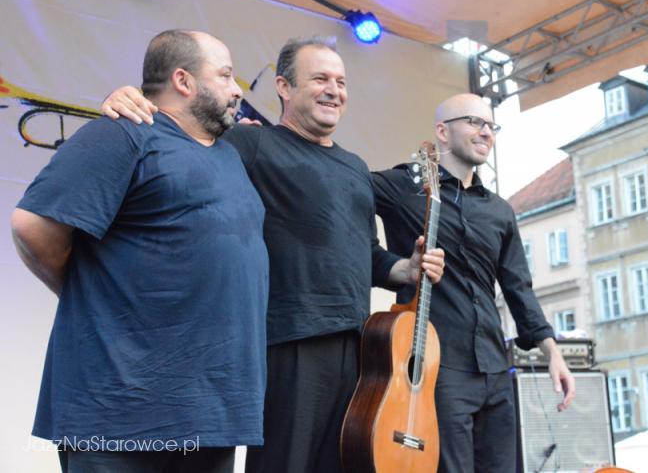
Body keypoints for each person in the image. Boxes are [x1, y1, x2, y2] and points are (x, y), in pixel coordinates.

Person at [100, 36, 445, 473]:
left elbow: (364, 252)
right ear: (283, 86)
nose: (334, 90)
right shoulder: (251, 145)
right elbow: (179, 137)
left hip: (360, 350)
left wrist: (405, 268)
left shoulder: (356, 168)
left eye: (341, 81)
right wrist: (128, 99)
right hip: (288, 342)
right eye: (319, 78)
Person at [11, 30, 269, 473]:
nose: (236, 89)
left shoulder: (230, 155)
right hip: (121, 409)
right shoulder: (125, 134)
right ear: (184, 81)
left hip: (211, 411)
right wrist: (89, 295)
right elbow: (32, 227)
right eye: (225, 75)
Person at [371, 93, 576, 472]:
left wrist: (553, 352)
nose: (486, 132)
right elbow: (342, 200)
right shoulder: (405, 185)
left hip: (495, 367)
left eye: (491, 125)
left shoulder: (499, 211)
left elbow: (519, 288)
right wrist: (393, 265)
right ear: (442, 133)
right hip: (437, 367)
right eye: (475, 122)